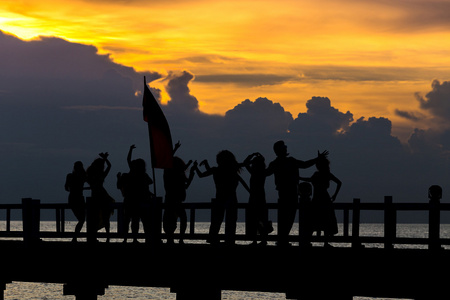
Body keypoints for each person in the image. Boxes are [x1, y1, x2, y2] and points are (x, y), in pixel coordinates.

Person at [265, 140, 328, 246]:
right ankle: (283, 240)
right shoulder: (284, 162)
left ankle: (283, 240)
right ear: (279, 150)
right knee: (287, 218)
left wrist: (316, 159)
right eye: (284, 147)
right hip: (287, 193)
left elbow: (304, 164)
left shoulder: (281, 162)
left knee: (287, 218)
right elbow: (304, 165)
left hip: (288, 193)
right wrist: (317, 159)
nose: (286, 148)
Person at [193, 150, 250, 245]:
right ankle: (229, 239)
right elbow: (244, 166)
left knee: (217, 220)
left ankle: (213, 238)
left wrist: (196, 168)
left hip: (219, 198)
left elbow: (202, 175)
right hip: (231, 198)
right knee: (230, 221)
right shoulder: (232, 170)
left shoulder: (217, 170)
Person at [300, 156, 341, 247]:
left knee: (315, 220)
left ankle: (309, 242)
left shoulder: (320, 174)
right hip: (324, 199)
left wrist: (299, 178)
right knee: (323, 221)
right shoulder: (326, 174)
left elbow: (310, 180)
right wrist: (334, 195)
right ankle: (325, 243)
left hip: (318, 199)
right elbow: (339, 183)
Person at [117, 145, 154, 243]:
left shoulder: (134, 175)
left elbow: (128, 160)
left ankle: (129, 238)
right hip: (138, 201)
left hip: (132, 201)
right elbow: (150, 183)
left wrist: (130, 150)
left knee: (131, 220)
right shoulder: (140, 175)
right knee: (137, 221)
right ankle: (136, 238)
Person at [163, 156, 195, 244]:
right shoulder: (170, 173)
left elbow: (186, 185)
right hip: (172, 200)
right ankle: (176, 239)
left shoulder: (173, 174)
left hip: (174, 200)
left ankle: (175, 239)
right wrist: (190, 172)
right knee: (177, 220)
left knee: (175, 220)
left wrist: (191, 174)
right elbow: (186, 185)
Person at [243, 152, 273, 246]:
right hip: (259, 196)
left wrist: (252, 155)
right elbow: (246, 163)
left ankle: (258, 240)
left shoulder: (255, 172)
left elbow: (245, 163)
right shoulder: (263, 172)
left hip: (255, 197)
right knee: (260, 219)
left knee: (256, 219)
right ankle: (261, 240)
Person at [86, 152, 115, 242]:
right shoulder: (95, 175)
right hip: (99, 196)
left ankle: (105, 237)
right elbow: (109, 166)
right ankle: (104, 237)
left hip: (99, 196)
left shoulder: (94, 175)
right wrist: (104, 159)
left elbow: (109, 166)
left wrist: (104, 159)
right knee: (99, 218)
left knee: (100, 217)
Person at [65, 161, 88, 242]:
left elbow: (66, 188)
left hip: (72, 198)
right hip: (79, 198)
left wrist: (73, 188)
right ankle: (75, 237)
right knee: (82, 220)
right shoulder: (82, 176)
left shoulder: (70, 176)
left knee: (81, 219)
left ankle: (75, 237)